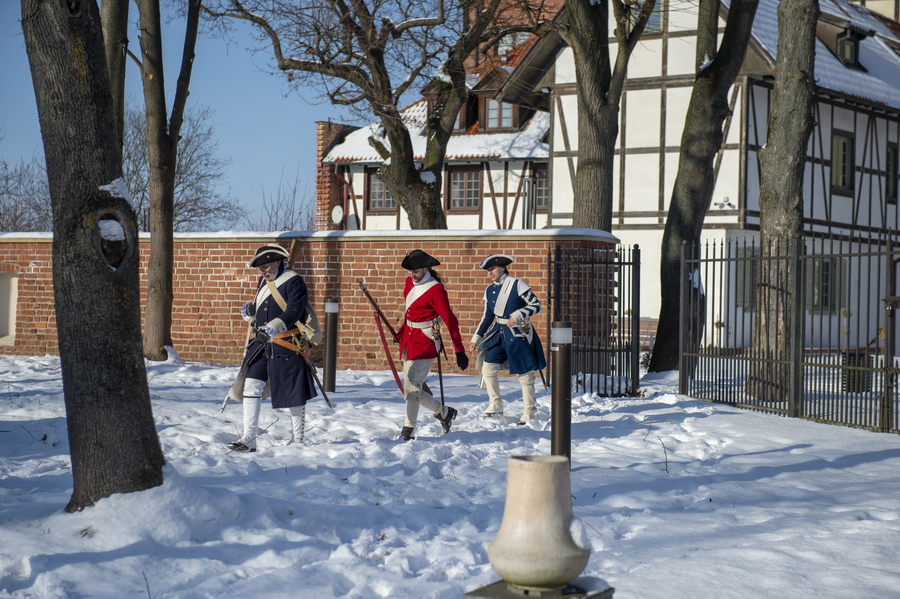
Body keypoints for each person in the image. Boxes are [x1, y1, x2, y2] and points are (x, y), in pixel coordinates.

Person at [225, 244, 317, 451]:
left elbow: (294, 311)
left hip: (287, 343)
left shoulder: (295, 282)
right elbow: (264, 306)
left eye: (265, 267)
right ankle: (249, 439)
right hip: (261, 345)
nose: (262, 272)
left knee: (294, 392)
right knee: (251, 385)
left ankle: (298, 439)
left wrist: (273, 327)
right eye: (260, 269)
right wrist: (251, 308)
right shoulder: (263, 281)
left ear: (278, 261)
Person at [395, 249, 469, 440]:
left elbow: (450, 320)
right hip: (408, 339)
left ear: (426, 267)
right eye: (410, 270)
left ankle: (408, 429)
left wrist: (459, 350)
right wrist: (401, 331)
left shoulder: (435, 290)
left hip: (425, 341)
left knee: (411, 387)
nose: (413, 274)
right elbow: (409, 311)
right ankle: (444, 412)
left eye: (416, 270)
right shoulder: (408, 283)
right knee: (412, 387)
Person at [468, 254, 546, 425]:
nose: (490, 273)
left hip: (518, 333)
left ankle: (529, 412)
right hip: (499, 334)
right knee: (488, 367)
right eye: (488, 270)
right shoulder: (489, 290)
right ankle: (495, 404)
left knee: (525, 375)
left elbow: (536, 305)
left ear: (502, 268)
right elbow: (487, 317)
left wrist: (517, 315)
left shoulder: (517, 284)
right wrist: (476, 337)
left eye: (492, 269)